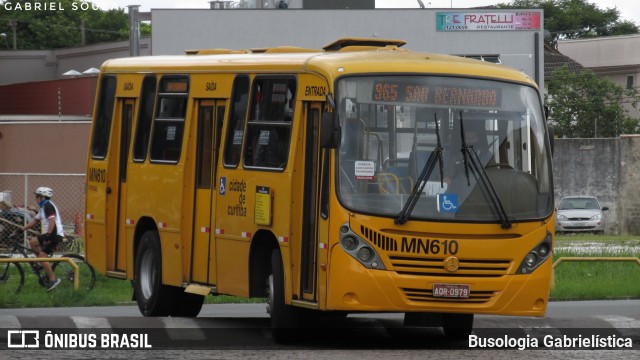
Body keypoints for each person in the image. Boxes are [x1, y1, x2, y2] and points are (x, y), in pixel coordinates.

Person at [21, 186, 64, 291]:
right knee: (32, 242)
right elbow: (35, 221)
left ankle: (53, 280)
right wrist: (22, 229)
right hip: (51, 233)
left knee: (41, 256)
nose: (35, 198)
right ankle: (44, 263)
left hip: (54, 235)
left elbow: (52, 221)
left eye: (37, 196)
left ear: (42, 197)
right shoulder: (43, 207)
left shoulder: (48, 206)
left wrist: (48, 235)